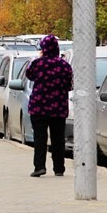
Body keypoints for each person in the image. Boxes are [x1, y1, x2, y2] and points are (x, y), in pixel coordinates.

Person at [24, 35, 73, 178]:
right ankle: (59, 168)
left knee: (40, 138)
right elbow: (69, 86)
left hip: (39, 107)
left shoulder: (37, 63)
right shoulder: (64, 65)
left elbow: (29, 75)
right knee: (58, 139)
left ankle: (39, 167)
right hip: (58, 108)